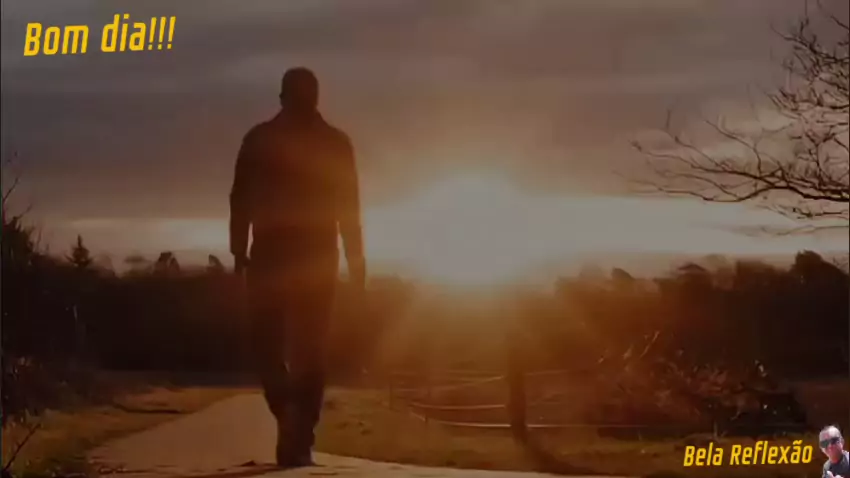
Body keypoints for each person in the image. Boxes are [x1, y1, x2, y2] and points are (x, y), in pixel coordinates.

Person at [229, 67, 366, 467]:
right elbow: (350, 206)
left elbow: (240, 198)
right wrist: (355, 259)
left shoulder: (259, 139)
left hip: (273, 252)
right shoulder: (335, 142)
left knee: (269, 344)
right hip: (315, 253)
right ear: (316, 98)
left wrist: (239, 250)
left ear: (281, 97)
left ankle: (292, 419)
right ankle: (300, 429)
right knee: (309, 347)